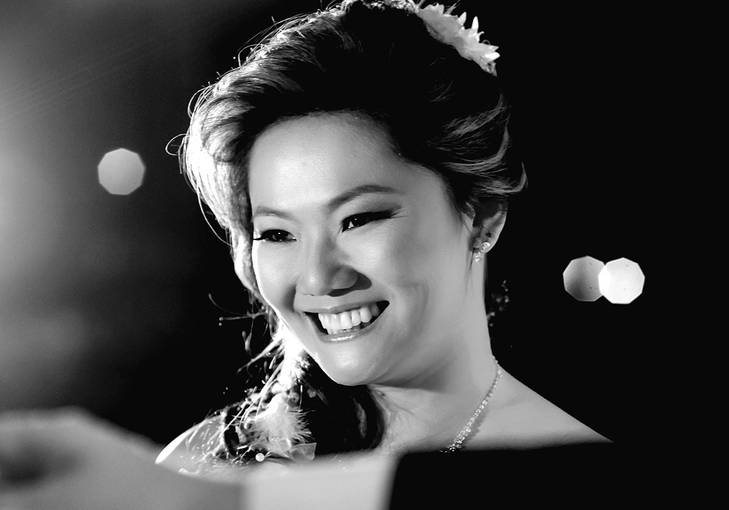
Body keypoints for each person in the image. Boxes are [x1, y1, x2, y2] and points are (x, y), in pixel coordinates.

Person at [0, 1, 611, 508]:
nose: (319, 276)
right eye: (276, 233)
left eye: (359, 218)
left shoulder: (577, 473)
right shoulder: (199, 466)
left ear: (482, 215)